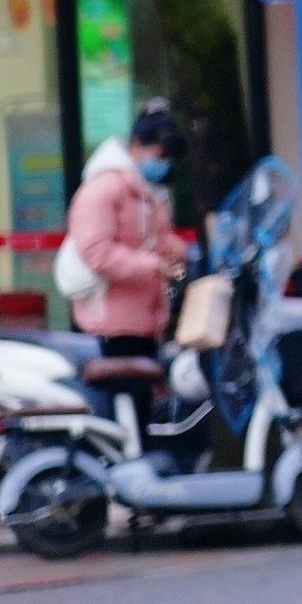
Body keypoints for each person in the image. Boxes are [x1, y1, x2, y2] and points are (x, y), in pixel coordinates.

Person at [65, 105, 190, 423]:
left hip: (145, 325)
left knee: (141, 417)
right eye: (158, 153)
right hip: (110, 327)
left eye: (168, 157)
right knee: (120, 419)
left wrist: (178, 251)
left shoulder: (151, 194)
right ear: (135, 145)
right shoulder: (103, 188)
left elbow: (158, 239)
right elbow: (97, 253)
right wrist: (153, 267)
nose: (162, 163)